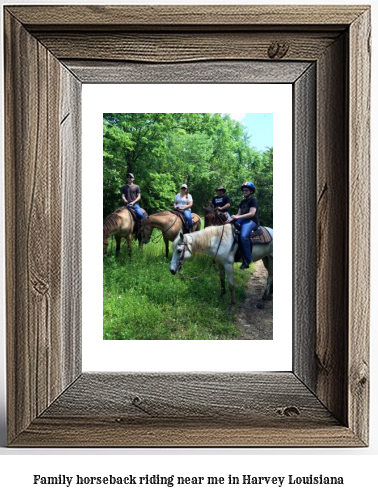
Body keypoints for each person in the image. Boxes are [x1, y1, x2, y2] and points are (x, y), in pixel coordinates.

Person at [229, 181, 259, 270]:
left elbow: (252, 213)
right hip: (243, 220)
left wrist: (238, 217)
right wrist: (232, 219)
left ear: (251, 191)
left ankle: (247, 259)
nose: (244, 192)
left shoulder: (253, 200)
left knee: (243, 236)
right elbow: (239, 213)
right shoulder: (242, 202)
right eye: (243, 190)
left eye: (246, 190)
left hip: (251, 221)